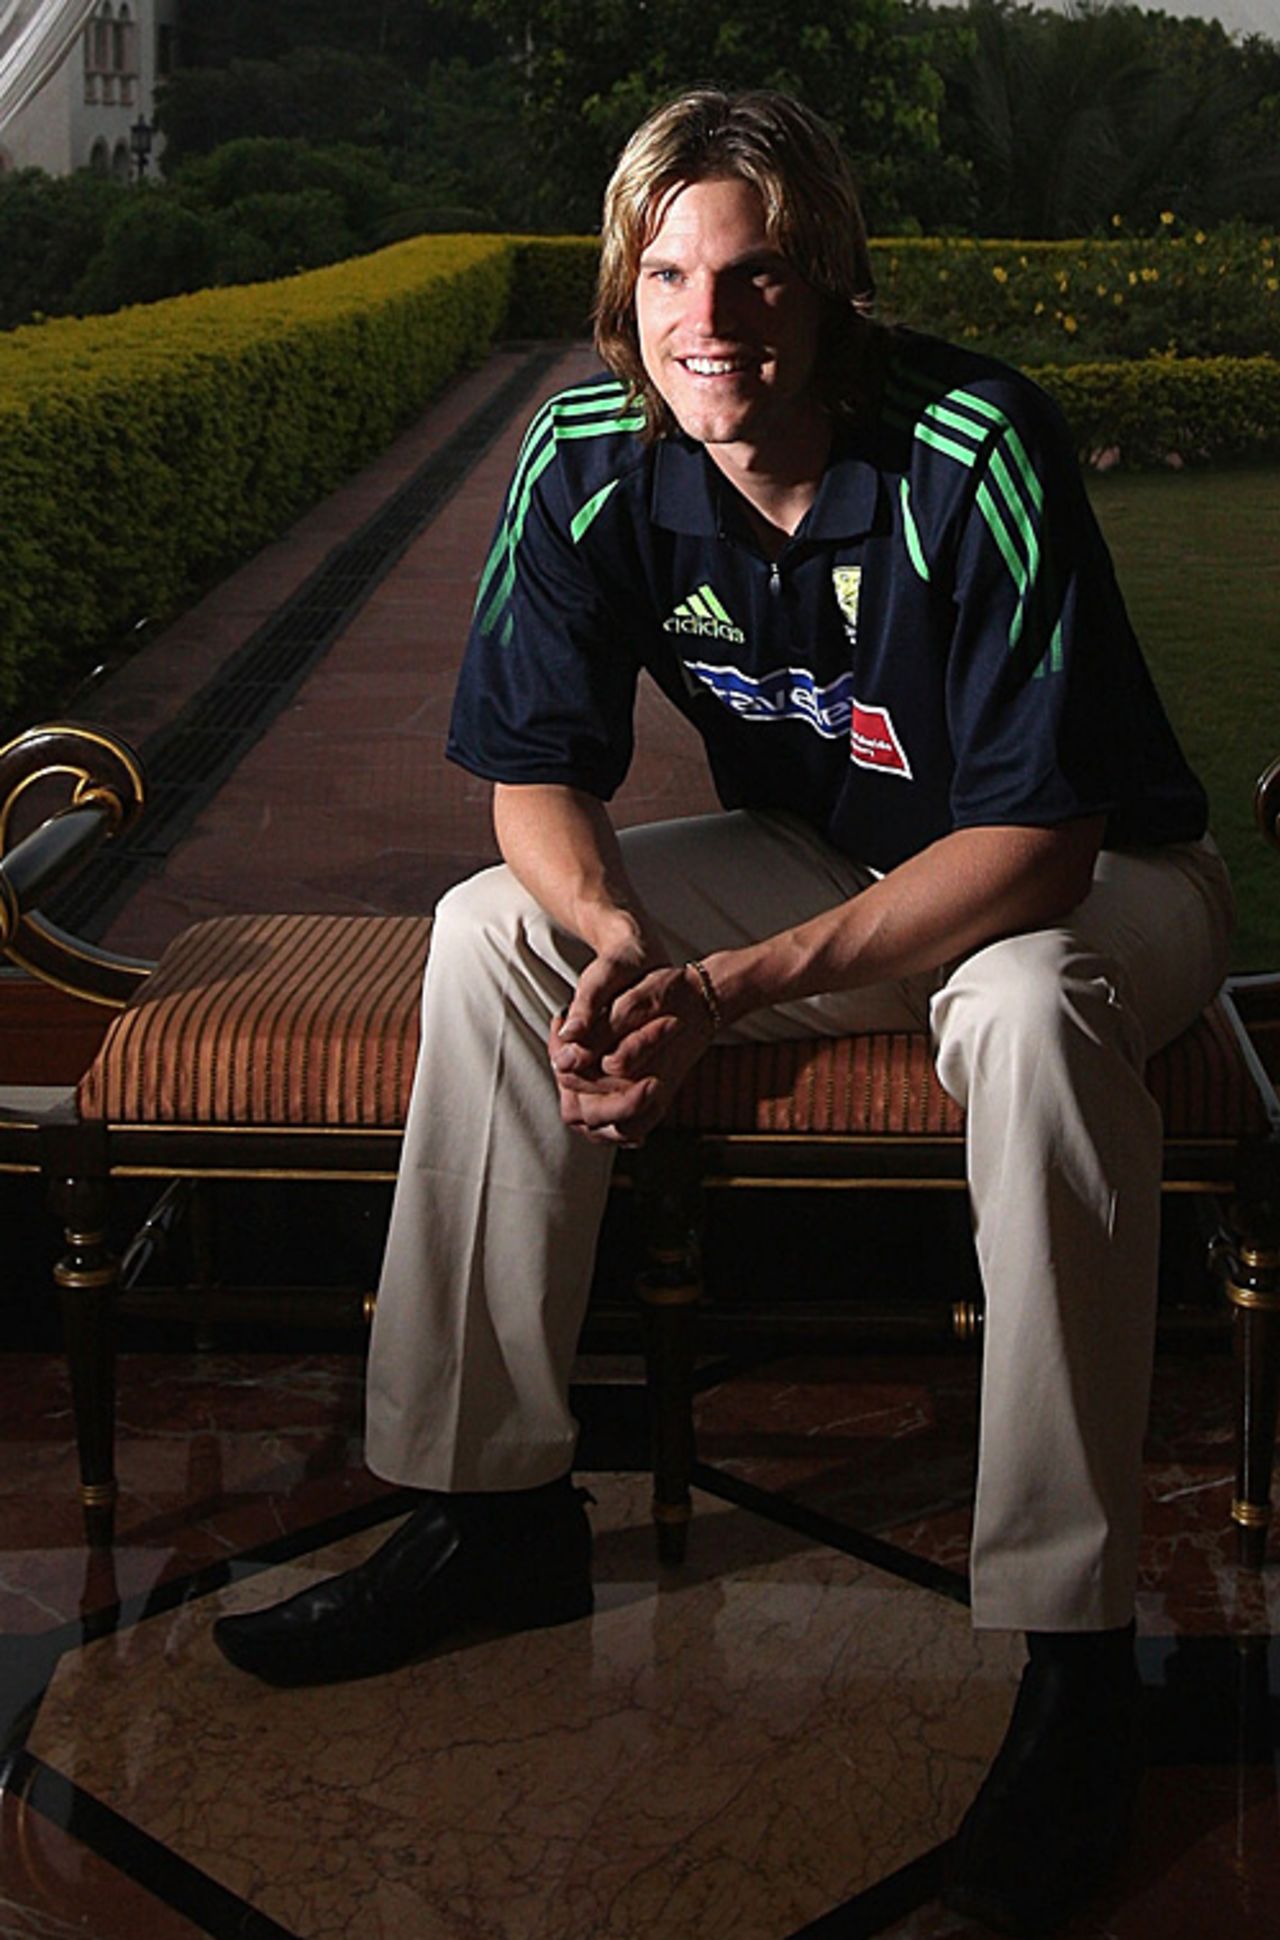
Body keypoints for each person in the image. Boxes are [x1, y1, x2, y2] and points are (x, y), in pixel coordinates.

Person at [214, 88, 1234, 1935]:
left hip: (1087, 884)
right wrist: (616, 935)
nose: (710, 319)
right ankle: (491, 1507)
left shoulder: (970, 438)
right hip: (819, 855)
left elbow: (1043, 839)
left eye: (757, 276)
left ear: (830, 284)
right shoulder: (591, 442)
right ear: (624, 282)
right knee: (489, 933)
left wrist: (732, 987)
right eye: (670, 272)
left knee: (1015, 1011)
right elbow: (528, 778)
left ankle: (1075, 1656)